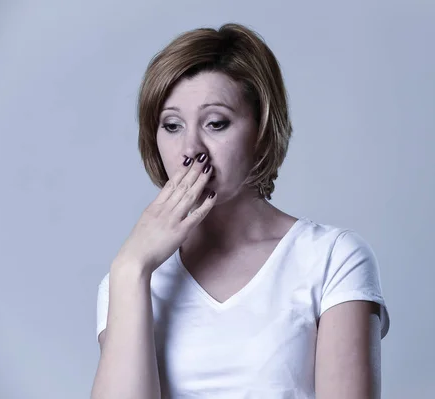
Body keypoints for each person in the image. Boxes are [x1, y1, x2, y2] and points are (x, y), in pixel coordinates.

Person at [91, 22, 389, 399]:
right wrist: (130, 267)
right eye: (171, 125)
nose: (190, 149)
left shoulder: (332, 258)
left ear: (262, 131)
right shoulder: (128, 281)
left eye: (216, 123)